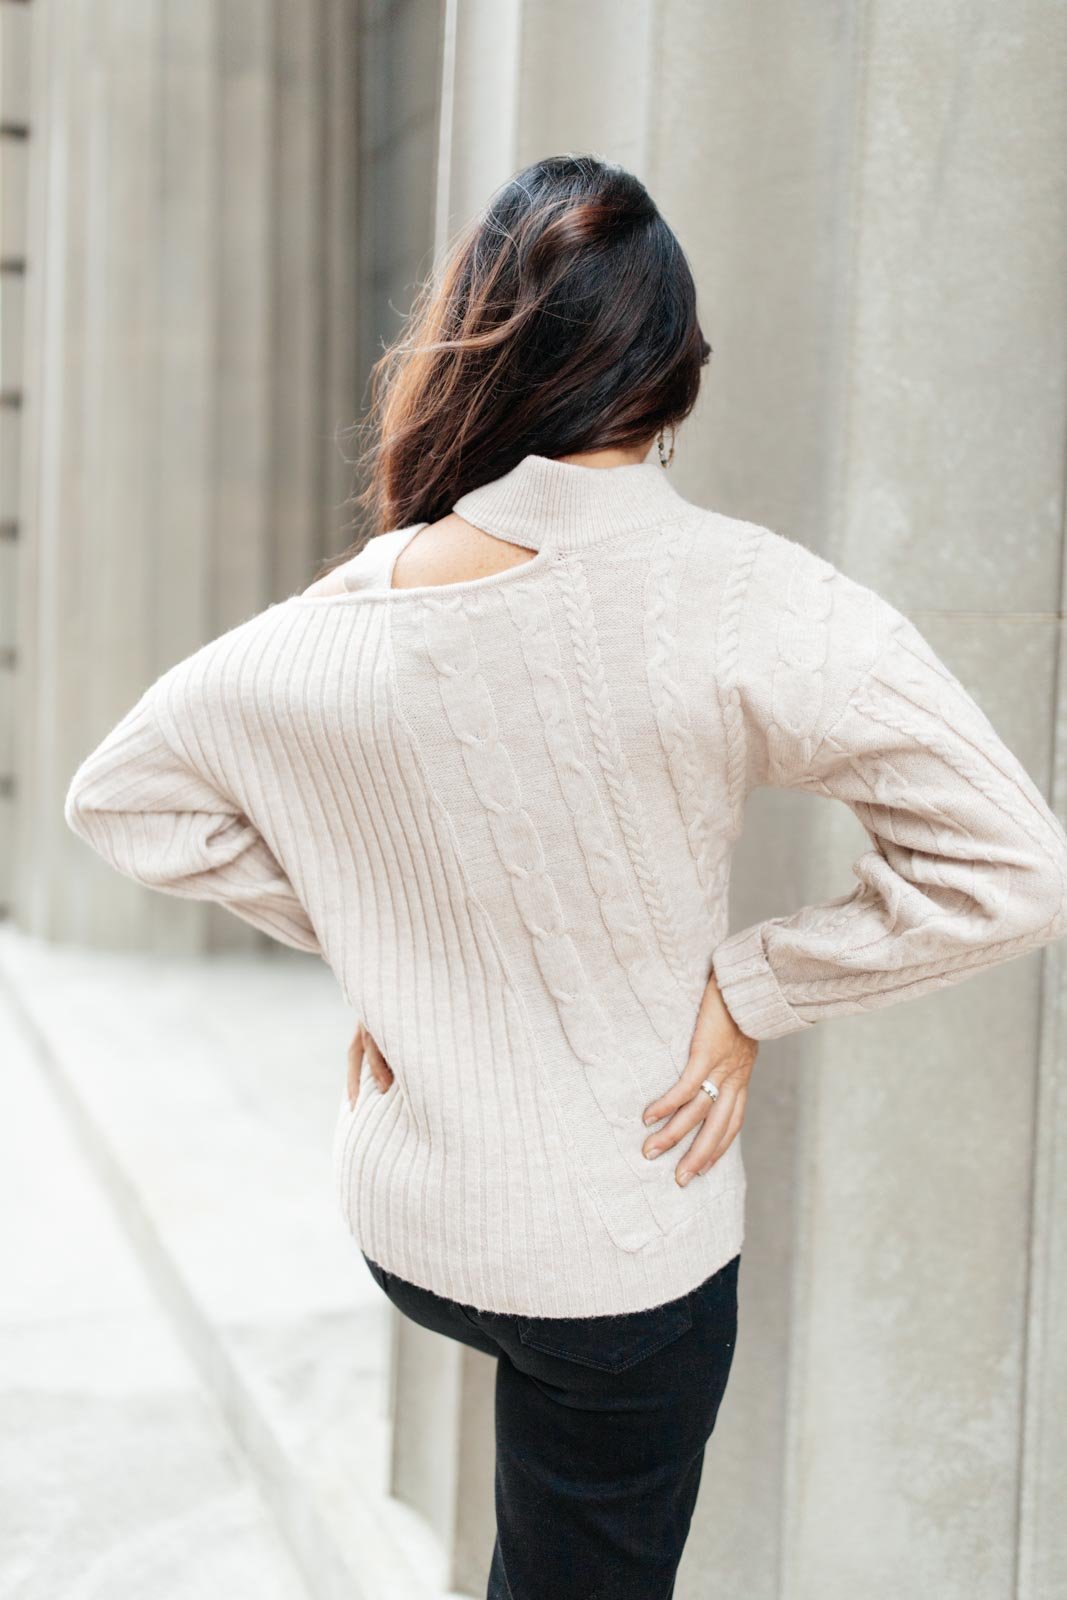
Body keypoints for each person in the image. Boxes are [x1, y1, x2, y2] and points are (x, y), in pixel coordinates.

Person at [63, 154, 1067, 1600]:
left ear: (483, 349)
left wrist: (375, 928)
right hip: (618, 1249)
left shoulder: (350, 611)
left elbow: (123, 797)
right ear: (674, 376)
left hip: (413, 1224)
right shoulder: (746, 593)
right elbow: (1015, 868)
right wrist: (753, 987)